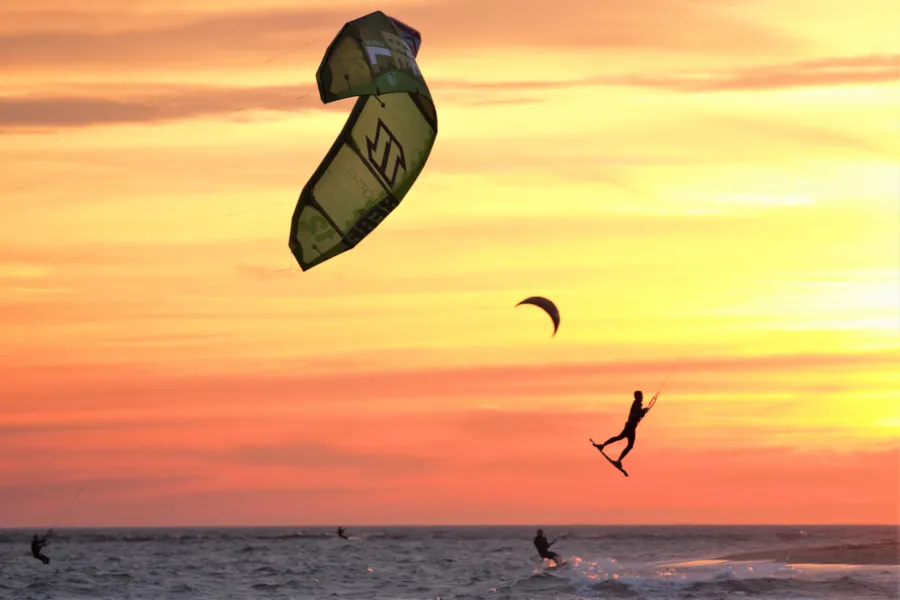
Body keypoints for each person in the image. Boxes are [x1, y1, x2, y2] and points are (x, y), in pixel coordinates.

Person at [594, 390, 652, 468]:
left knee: (621, 439)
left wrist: (643, 411)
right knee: (626, 442)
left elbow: (638, 414)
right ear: (637, 397)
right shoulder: (636, 404)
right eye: (641, 396)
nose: (642, 397)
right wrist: (644, 411)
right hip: (630, 427)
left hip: (631, 426)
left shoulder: (637, 404)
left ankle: (605, 447)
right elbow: (636, 415)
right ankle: (616, 459)